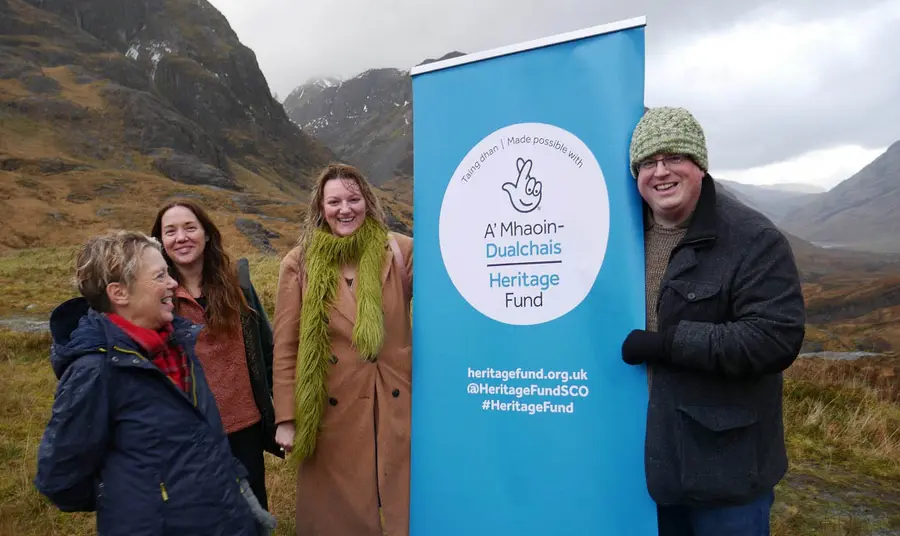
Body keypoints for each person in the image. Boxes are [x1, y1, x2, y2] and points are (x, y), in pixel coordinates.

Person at [619, 107, 806, 536]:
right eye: (648, 162)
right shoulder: (620, 236)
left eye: (674, 158)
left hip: (727, 470)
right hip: (645, 461)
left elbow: (775, 338)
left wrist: (666, 344)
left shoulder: (753, 239)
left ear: (699, 166)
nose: (661, 172)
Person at [34, 230, 276, 535]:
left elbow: (205, 437)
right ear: (119, 293)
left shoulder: (178, 344)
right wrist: (136, 498)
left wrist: (239, 492)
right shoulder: (95, 371)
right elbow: (59, 478)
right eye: (161, 275)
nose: (173, 283)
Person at [270, 163, 413, 536]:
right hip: (333, 407)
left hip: (397, 398)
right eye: (334, 201)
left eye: (354, 198)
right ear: (320, 208)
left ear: (368, 201)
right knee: (340, 517)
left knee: (410, 507)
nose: (345, 209)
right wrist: (286, 417)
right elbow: (286, 345)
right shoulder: (298, 264)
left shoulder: (400, 251)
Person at [151, 200, 281, 510]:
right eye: (170, 231)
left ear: (207, 235)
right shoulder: (155, 297)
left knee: (252, 516)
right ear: (160, 243)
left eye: (190, 227)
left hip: (244, 426)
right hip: (186, 434)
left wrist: (285, 412)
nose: (181, 237)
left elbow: (266, 348)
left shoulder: (237, 285)